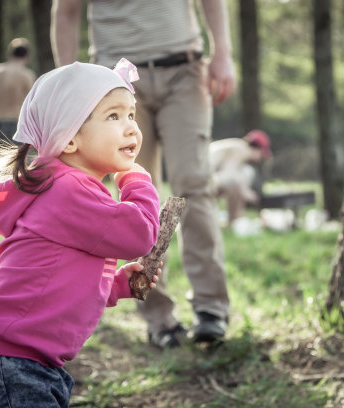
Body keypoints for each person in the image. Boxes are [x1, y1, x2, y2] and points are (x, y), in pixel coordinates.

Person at [0, 60, 162, 407]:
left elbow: (54, 274)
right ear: (71, 137)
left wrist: (115, 285)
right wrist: (137, 181)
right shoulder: (68, 188)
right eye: (113, 116)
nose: (130, 129)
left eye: (131, 115)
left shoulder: (60, 185)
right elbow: (140, 234)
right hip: (10, 364)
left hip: (11, 360)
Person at [52, 0, 237, 349]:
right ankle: (157, 316)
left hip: (185, 69)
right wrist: (69, 81)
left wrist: (223, 53)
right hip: (113, 80)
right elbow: (66, 10)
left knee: (193, 185)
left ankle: (212, 308)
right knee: (136, 193)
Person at [0, 37, 36, 142]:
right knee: (15, 158)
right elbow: (34, 104)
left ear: (10, 54)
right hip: (16, 124)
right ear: (27, 56)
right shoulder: (26, 75)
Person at [210, 129, 273, 226]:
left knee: (243, 174)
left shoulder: (236, 146)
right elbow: (229, 174)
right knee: (240, 180)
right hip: (201, 180)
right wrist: (246, 192)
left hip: (201, 179)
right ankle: (234, 222)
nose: (260, 158)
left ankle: (235, 221)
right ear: (258, 149)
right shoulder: (243, 149)